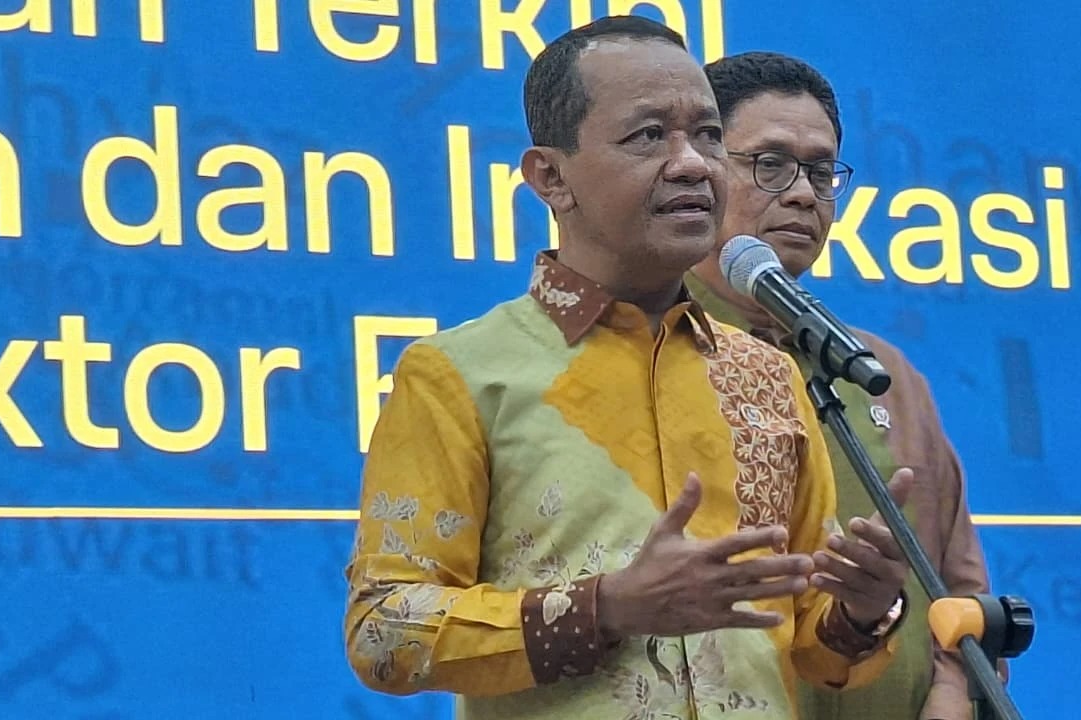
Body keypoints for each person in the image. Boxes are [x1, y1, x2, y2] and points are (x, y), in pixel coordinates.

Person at [342, 16, 915, 720]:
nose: (693, 163)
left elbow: (810, 650)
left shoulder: (769, 375)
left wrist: (863, 609)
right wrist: (606, 607)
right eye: (649, 135)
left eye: (708, 135)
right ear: (551, 177)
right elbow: (384, 632)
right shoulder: (459, 374)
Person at [688, 51, 1004, 720]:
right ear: (700, 170)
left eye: (821, 171)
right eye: (770, 164)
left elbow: (959, 589)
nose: (803, 194)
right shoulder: (643, 353)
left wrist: (953, 695)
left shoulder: (877, 372)